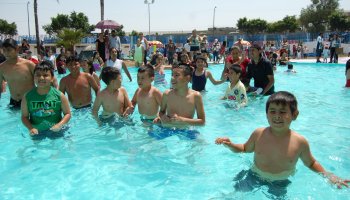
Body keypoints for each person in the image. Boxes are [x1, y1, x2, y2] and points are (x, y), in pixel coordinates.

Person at [215, 91, 349, 196]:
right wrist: (230, 145)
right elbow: (244, 148)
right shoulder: (259, 133)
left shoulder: (299, 142)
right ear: (266, 114)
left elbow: (311, 163)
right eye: (272, 111)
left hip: (280, 181)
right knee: (233, 195)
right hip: (254, 175)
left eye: (283, 112)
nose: (277, 116)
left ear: (295, 115)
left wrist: (328, 175)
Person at [21, 61, 71, 135]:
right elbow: (24, 117)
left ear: (52, 78)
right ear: (33, 77)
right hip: (37, 132)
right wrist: (31, 128)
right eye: (38, 75)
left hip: (56, 130)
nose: (41, 78)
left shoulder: (59, 95)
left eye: (45, 75)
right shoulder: (27, 97)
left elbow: (67, 114)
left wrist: (59, 125)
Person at [0, 38, 35, 108]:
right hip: (13, 102)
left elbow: (44, 81)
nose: (6, 53)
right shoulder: (1, 68)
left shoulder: (29, 64)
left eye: (9, 50)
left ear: (17, 49)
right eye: (4, 50)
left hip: (30, 101)